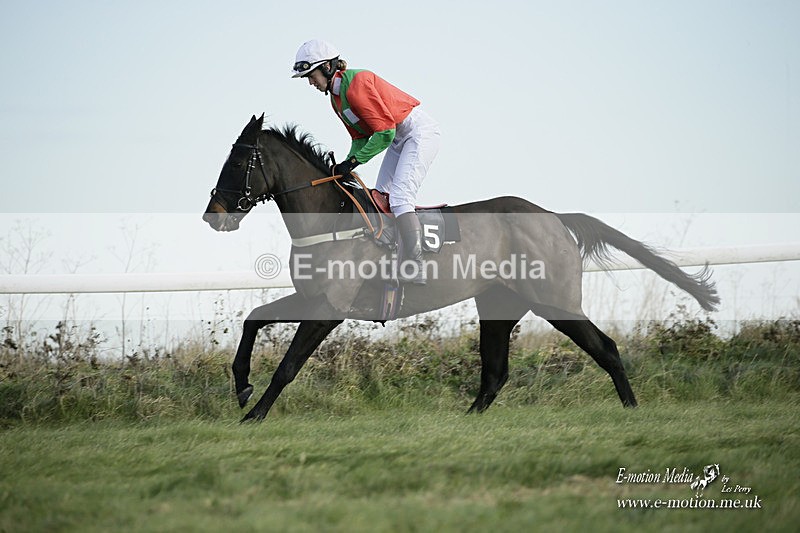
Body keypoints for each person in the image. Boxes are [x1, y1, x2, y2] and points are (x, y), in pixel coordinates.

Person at [291, 39, 441, 285]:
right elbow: (360, 138)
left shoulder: (357, 83)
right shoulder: (336, 100)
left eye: (311, 75)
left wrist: (352, 163)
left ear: (327, 67)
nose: (310, 82)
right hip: (399, 137)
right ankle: (394, 255)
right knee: (380, 196)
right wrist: (345, 164)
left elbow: (385, 132)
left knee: (401, 198)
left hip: (418, 134)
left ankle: (416, 266)